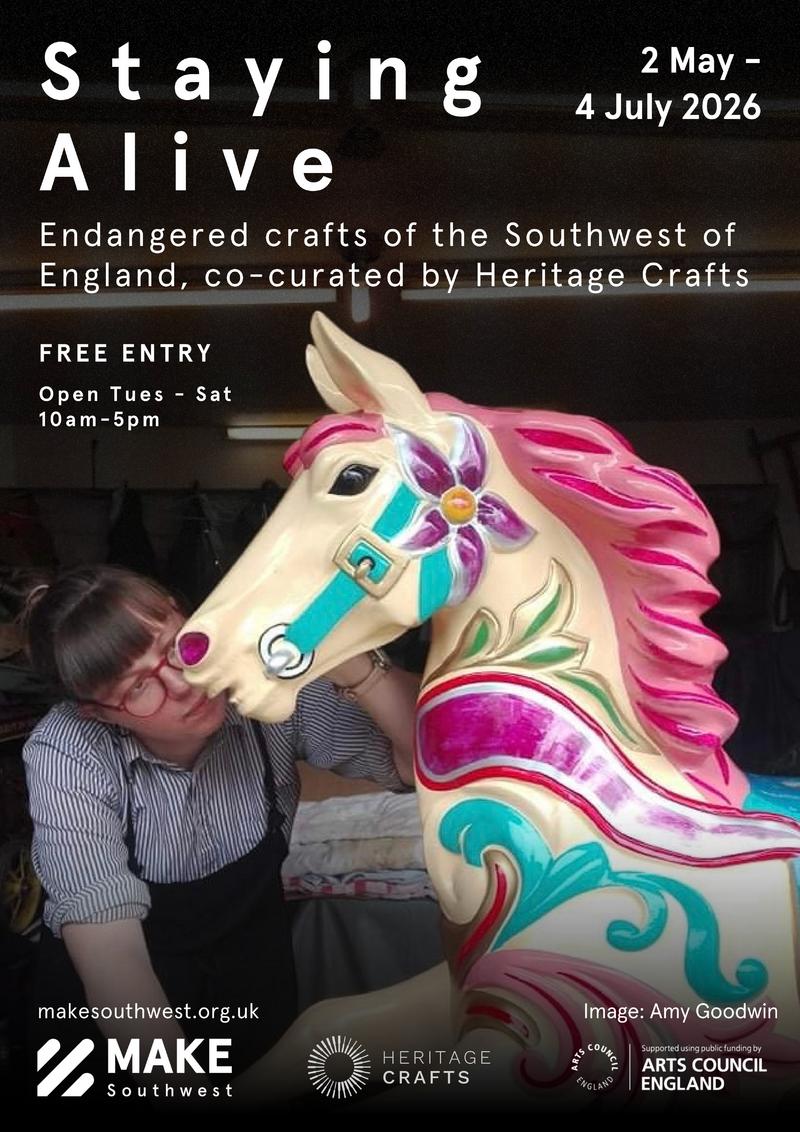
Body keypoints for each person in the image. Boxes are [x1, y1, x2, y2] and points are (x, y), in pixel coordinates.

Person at [21, 565, 418, 1091]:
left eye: (175, 647)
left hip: (250, 982)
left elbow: (425, 761)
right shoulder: (67, 752)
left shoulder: (261, 690)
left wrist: (355, 666)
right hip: (121, 1016)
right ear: (98, 713)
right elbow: (113, 956)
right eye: (139, 687)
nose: (183, 685)